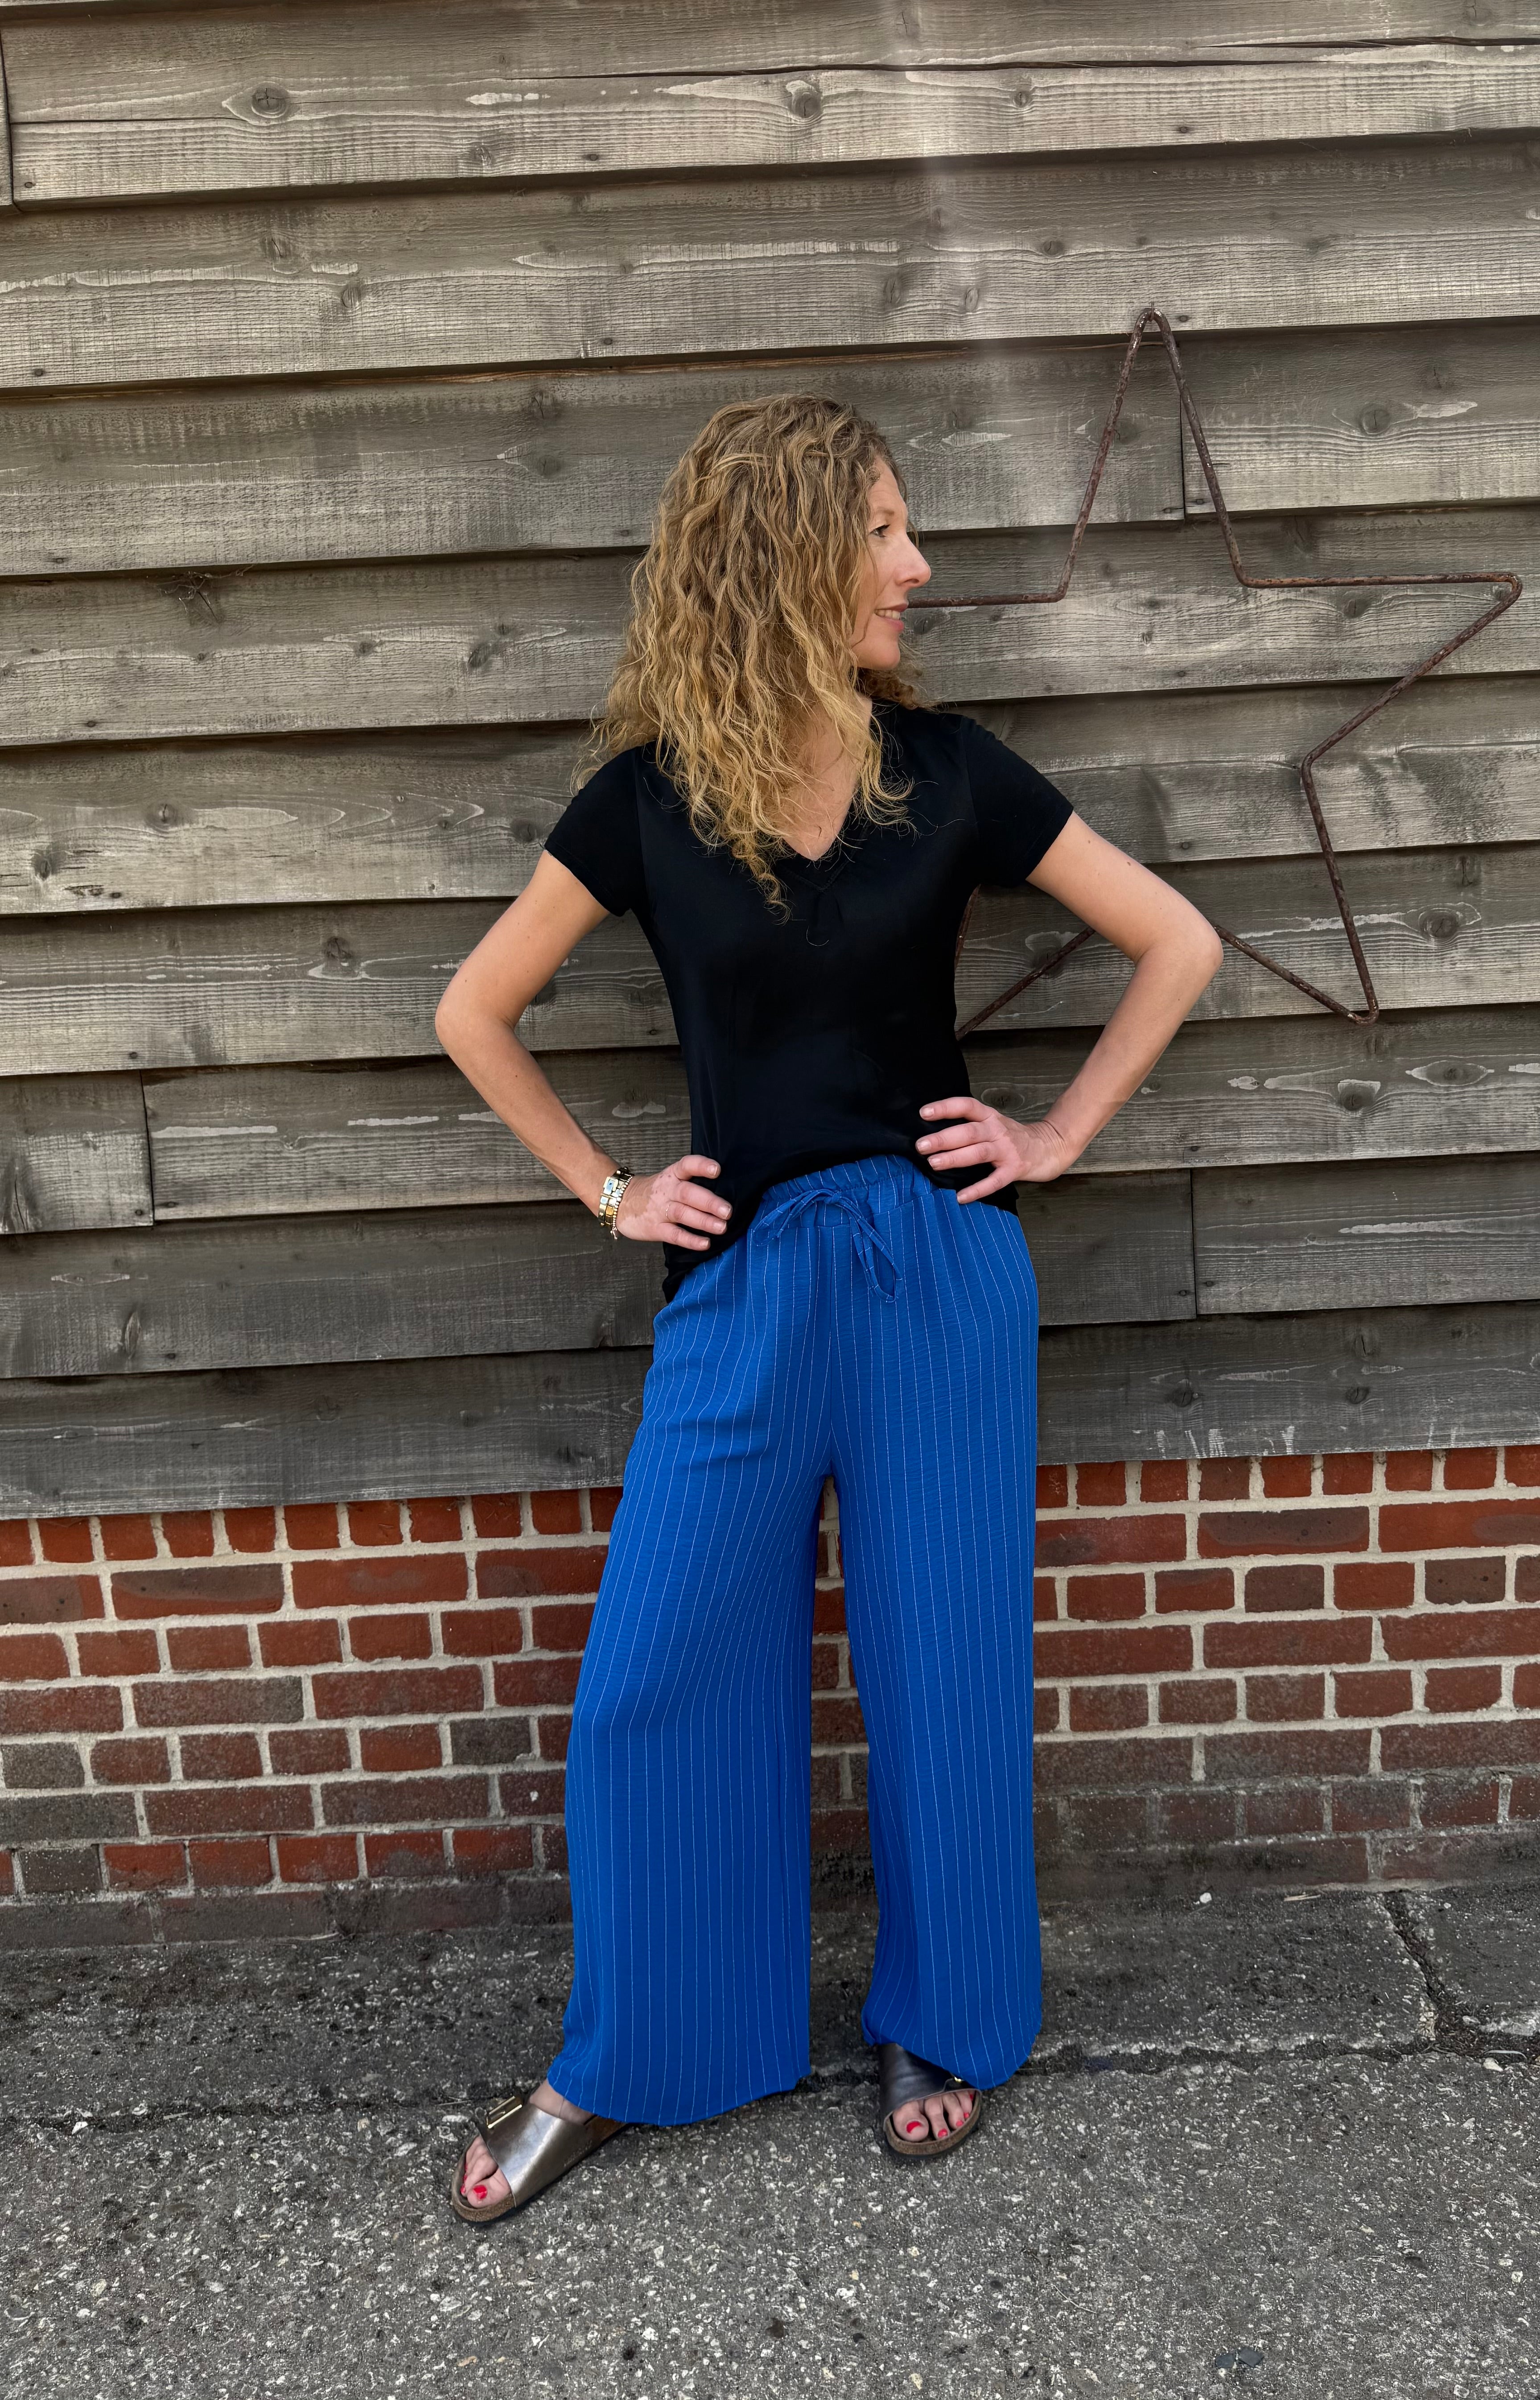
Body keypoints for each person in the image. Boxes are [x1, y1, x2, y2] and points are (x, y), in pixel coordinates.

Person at [432, 395, 1223, 2220]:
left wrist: (1056, 1132)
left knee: (940, 1662)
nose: (916, 564)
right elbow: (476, 1010)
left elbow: (1170, 938)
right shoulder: (644, 802)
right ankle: (636, 2046)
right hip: (739, 1281)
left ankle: (943, 2014)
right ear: (782, 553)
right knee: (649, 1679)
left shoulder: (949, 771)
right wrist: (610, 1186)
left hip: (936, 1265)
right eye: (880, 529)